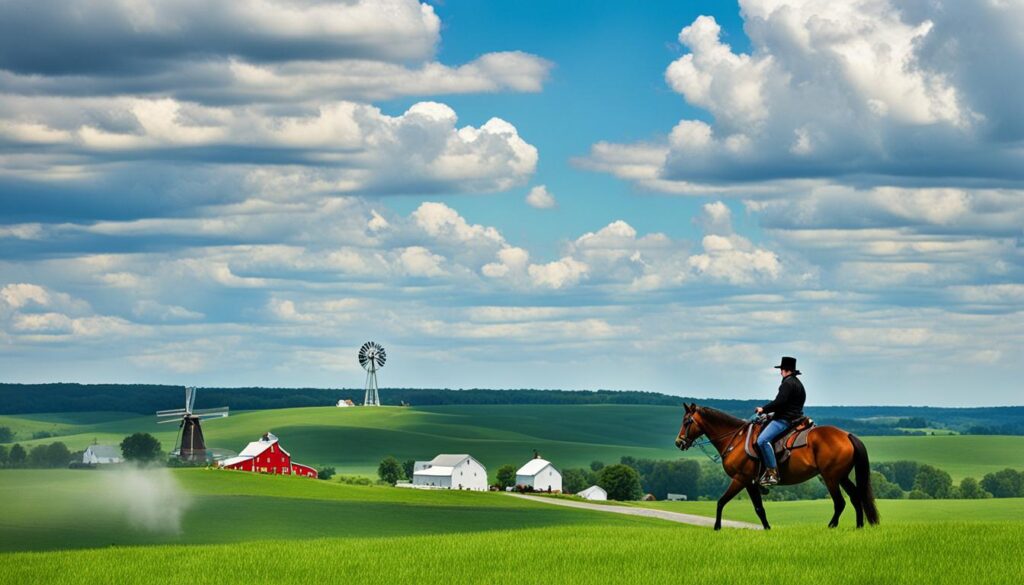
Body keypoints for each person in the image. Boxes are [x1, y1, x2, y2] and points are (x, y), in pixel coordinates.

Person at [754, 356, 806, 486]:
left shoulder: (787, 383)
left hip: (785, 420)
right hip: (796, 417)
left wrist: (763, 409)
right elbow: (787, 404)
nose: (780, 372)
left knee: (762, 440)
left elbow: (780, 402)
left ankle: (772, 472)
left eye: (781, 369)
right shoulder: (798, 384)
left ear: (786, 370)